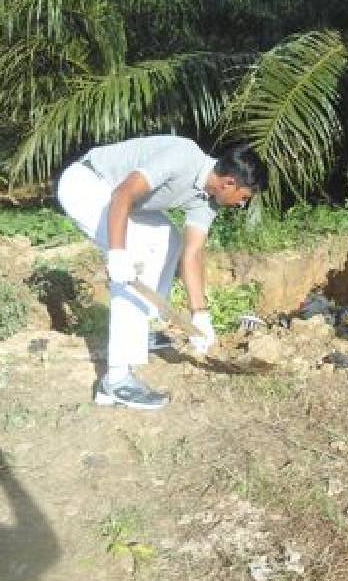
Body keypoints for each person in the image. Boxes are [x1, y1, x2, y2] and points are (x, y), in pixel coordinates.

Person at [57, 136, 266, 410]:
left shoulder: (208, 201)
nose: (241, 204)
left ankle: (138, 331)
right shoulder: (184, 156)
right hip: (88, 185)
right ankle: (116, 381)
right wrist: (118, 254)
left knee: (171, 241)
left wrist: (200, 314)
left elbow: (192, 253)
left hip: (119, 199)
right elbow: (124, 193)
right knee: (134, 258)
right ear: (229, 183)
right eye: (243, 197)